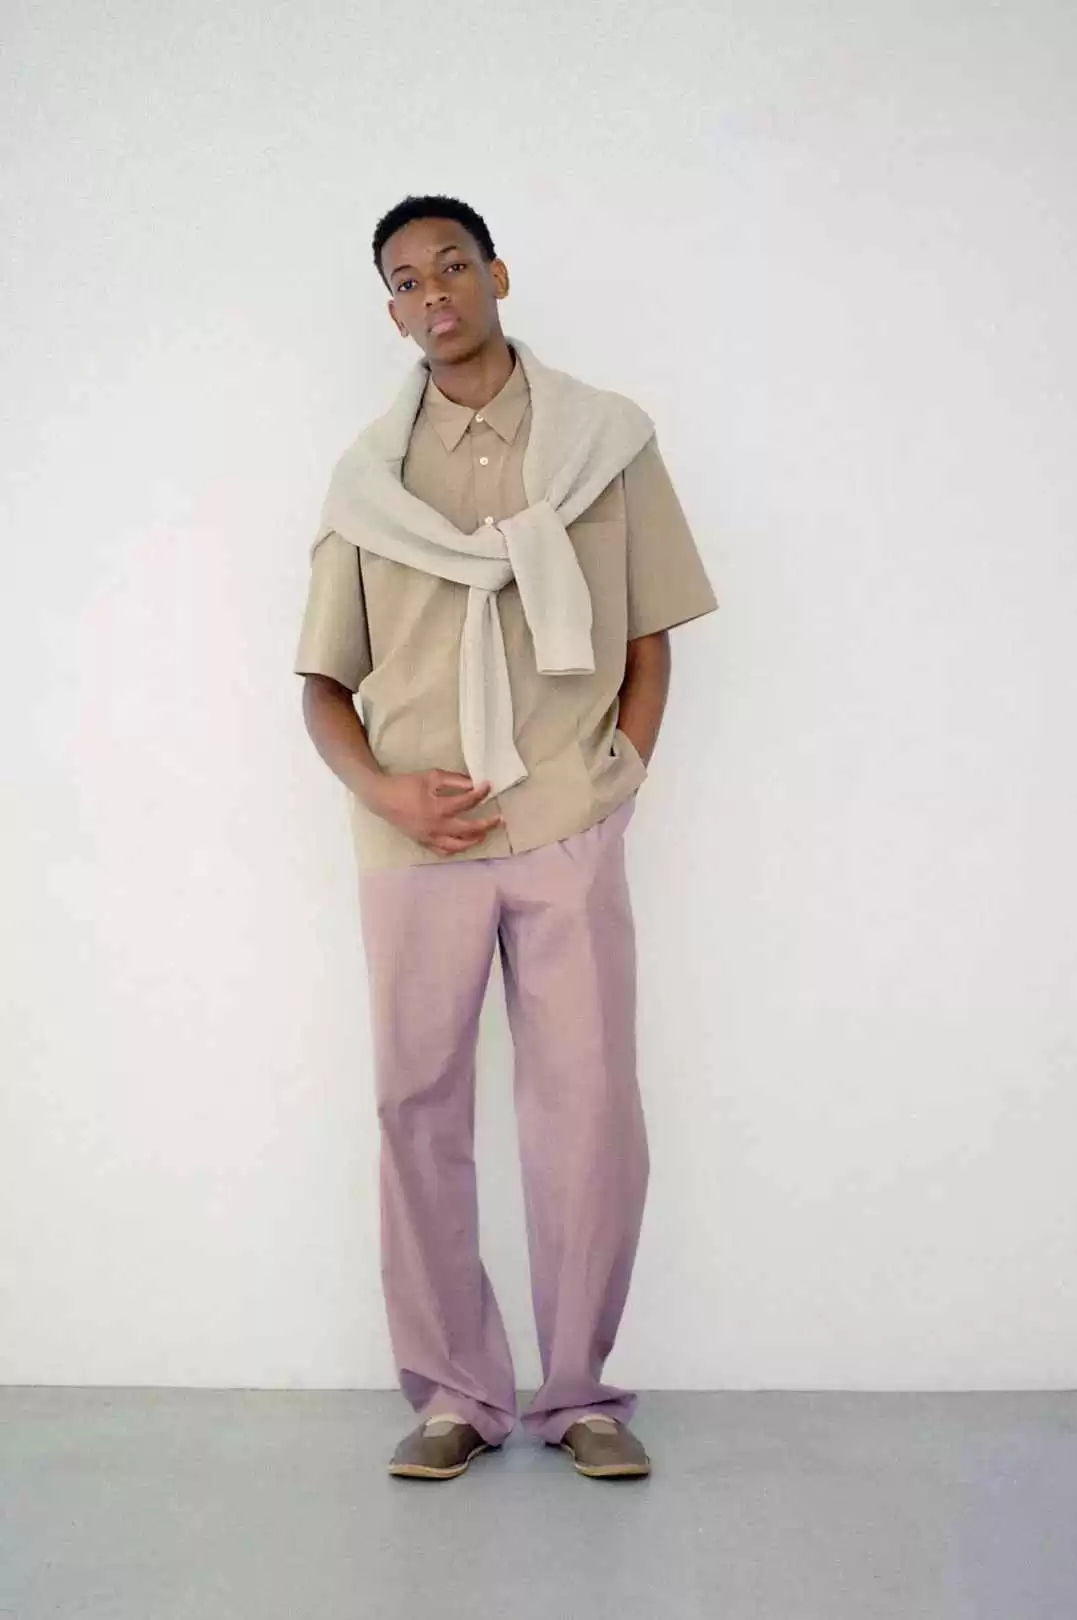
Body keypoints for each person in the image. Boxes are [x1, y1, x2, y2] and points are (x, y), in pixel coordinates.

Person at [294, 193, 717, 1482]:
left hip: (563, 821)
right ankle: (454, 1395)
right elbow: (321, 686)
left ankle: (580, 1390)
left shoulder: (605, 441)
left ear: (497, 275)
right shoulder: (366, 483)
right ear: (391, 311)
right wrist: (387, 795)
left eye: (453, 266)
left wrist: (617, 775)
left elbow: (649, 633)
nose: (434, 293)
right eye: (406, 280)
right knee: (415, 1106)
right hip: (414, 842)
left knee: (590, 1108)